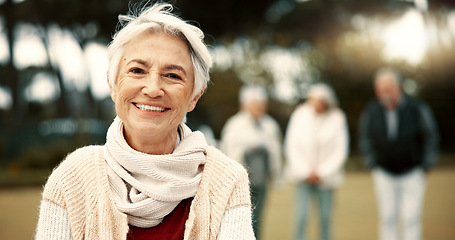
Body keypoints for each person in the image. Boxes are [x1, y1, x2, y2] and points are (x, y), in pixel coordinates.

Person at [35, 3, 255, 240]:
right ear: (112, 84)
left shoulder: (226, 180)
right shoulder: (72, 178)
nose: (152, 89)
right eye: (137, 70)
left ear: (194, 96)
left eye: (172, 75)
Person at [359, 67, 439, 240]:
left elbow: (430, 135)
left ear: (398, 87)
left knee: (411, 217)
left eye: (389, 88)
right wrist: (372, 163)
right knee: (387, 217)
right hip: (384, 172)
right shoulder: (372, 111)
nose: (385, 93)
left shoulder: (417, 108)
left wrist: (426, 164)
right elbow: (365, 138)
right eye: (381, 89)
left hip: (412, 171)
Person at [284, 83, 349, 240]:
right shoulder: (299, 115)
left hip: (326, 179)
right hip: (302, 177)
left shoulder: (337, 118)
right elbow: (291, 145)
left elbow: (340, 150)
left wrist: (322, 172)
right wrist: (305, 171)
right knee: (301, 218)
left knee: (325, 218)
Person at [220, 85, 282, 239]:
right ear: (245, 105)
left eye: (261, 105)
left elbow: (276, 152)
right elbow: (227, 152)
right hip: (240, 183)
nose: (258, 108)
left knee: (259, 220)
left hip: (262, 181)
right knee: (240, 221)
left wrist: (276, 175)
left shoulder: (270, 125)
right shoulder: (234, 125)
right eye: (254, 104)